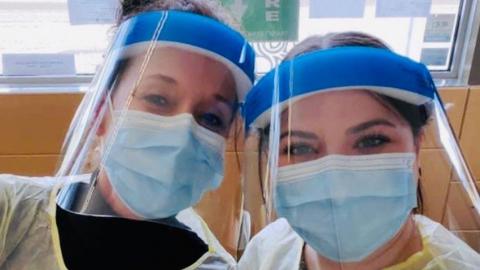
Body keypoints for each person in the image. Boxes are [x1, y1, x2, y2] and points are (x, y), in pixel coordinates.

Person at [0, 1, 255, 269]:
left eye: (211, 118)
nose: (182, 133)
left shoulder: (215, 266)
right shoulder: (11, 214)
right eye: (157, 98)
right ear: (101, 112)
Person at [239, 32, 480, 269]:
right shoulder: (267, 252)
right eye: (299, 147)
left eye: (371, 141)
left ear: (416, 147)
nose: (337, 185)